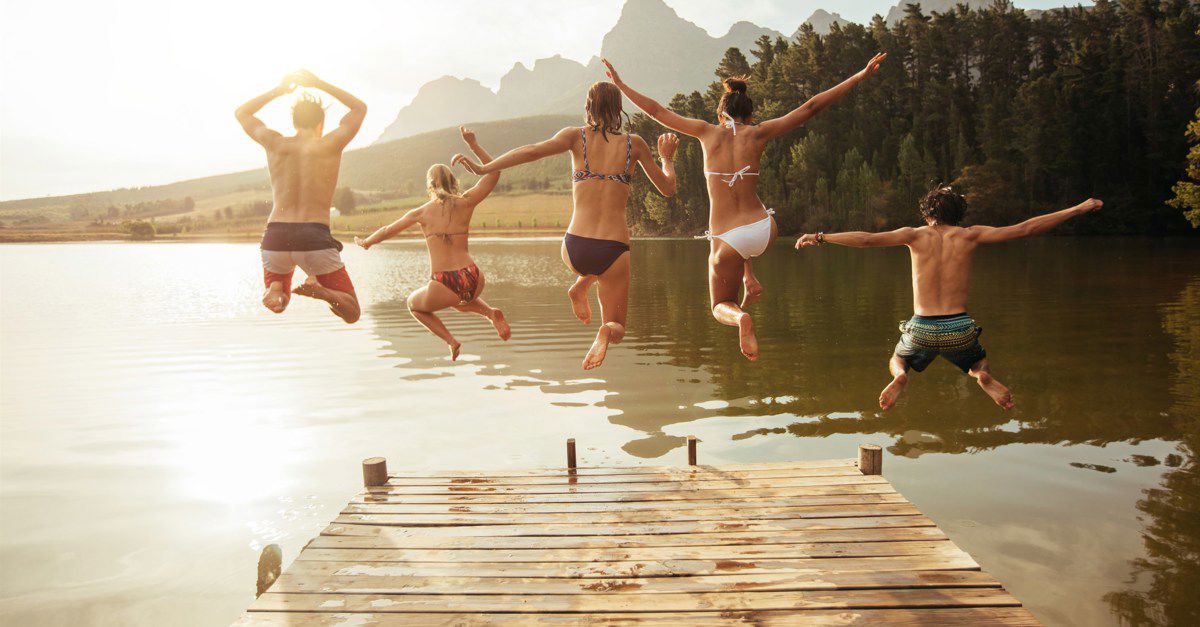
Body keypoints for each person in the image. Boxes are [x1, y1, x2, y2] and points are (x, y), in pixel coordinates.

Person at [604, 54, 887, 361]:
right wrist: (858, 76)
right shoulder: (759, 133)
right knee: (740, 232)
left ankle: (741, 318)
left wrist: (620, 85)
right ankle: (748, 277)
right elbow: (811, 107)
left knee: (718, 305)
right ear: (750, 116)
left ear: (720, 114)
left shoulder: (706, 132)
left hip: (730, 238)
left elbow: (657, 110)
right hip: (765, 229)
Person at [796, 186, 1103, 410]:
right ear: (959, 214)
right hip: (959, 327)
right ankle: (982, 375)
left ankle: (901, 376)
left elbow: (866, 239)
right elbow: (1025, 229)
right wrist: (1077, 209)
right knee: (977, 360)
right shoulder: (970, 235)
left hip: (922, 328)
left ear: (927, 213)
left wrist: (821, 237)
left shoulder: (913, 235)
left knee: (899, 358)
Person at [451, 83, 679, 370]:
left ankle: (581, 284)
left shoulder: (576, 137)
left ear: (588, 107)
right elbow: (668, 188)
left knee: (590, 267)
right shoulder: (636, 144)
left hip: (575, 247)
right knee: (617, 324)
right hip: (614, 248)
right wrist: (667, 158)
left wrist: (485, 168)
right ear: (618, 108)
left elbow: (532, 151)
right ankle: (604, 328)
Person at [355, 127, 511, 360]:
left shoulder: (421, 212)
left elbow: (388, 230)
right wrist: (473, 145)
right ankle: (489, 312)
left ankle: (451, 341)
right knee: (459, 301)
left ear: (429, 185)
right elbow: (494, 173)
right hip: (473, 276)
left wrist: (367, 242)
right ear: (454, 182)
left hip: (444, 282)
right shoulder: (466, 201)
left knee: (414, 304)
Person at [235, 70, 366, 323]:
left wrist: (279, 90)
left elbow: (242, 113)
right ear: (321, 123)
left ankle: (276, 291)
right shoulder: (330, 143)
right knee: (352, 313)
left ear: (294, 122)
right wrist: (319, 83)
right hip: (313, 237)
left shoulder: (275, 143)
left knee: (280, 297)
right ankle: (322, 292)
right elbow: (359, 108)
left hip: (275, 237)